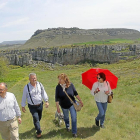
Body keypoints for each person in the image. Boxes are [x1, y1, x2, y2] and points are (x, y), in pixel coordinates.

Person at [55, 73, 83, 138]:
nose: (59, 80)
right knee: (66, 117)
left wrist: (80, 100)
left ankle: (74, 132)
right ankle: (67, 126)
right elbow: (56, 98)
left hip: (72, 104)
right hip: (63, 105)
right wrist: (58, 108)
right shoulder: (58, 87)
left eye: (60, 79)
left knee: (74, 118)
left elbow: (75, 93)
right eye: (58, 79)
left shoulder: (71, 85)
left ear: (65, 79)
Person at [21, 73, 49, 138]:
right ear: (29, 79)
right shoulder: (26, 87)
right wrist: (23, 106)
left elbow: (43, 93)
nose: (34, 79)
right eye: (32, 78)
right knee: (36, 118)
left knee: (39, 117)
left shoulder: (40, 85)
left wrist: (46, 101)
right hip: (32, 106)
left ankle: (37, 126)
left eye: (35, 78)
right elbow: (24, 97)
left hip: (40, 105)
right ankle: (39, 132)